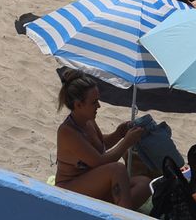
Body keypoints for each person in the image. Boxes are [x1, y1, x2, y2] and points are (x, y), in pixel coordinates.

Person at [53, 72, 149, 209]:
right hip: (70, 187)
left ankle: (118, 210)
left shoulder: (88, 121)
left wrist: (119, 133)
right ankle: (122, 215)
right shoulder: (67, 132)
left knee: (144, 184)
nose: (98, 106)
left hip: (93, 183)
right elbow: (99, 161)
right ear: (78, 105)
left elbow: (99, 145)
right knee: (117, 169)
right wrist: (126, 142)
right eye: (94, 102)